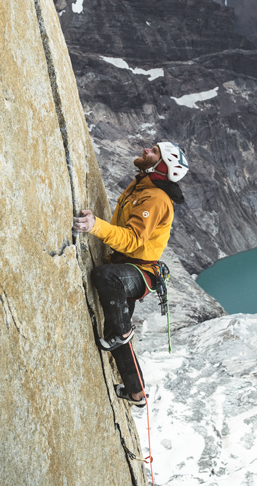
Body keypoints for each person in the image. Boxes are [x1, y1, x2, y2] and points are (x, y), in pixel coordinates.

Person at [73, 141, 189, 406]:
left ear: (163, 167)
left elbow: (133, 239)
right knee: (114, 331)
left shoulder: (156, 198)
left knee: (106, 278)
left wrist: (95, 226)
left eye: (154, 152)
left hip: (138, 271)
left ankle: (124, 331)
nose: (147, 150)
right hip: (127, 265)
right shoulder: (142, 186)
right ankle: (137, 393)